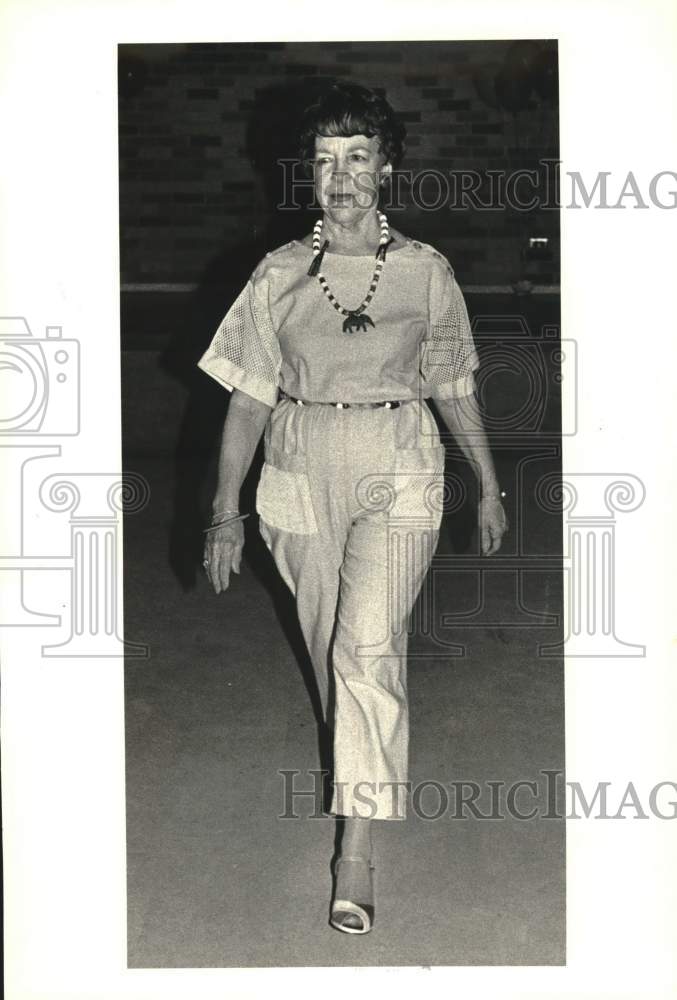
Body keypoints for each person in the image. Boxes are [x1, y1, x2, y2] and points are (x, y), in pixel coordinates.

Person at [197, 81, 508, 935]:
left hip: (400, 462)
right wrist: (224, 510)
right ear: (309, 173)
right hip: (298, 466)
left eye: (358, 157)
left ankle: (354, 854)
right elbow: (249, 399)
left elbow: (451, 383)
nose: (341, 177)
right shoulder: (277, 276)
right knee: (333, 650)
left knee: (366, 653)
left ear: (386, 168)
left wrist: (488, 481)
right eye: (325, 161)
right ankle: (360, 763)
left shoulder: (424, 271)